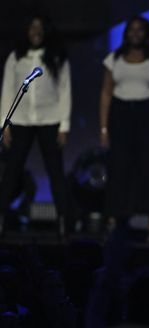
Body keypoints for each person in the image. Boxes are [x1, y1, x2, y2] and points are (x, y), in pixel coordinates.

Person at [98, 15, 149, 242]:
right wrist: (103, 128)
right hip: (120, 115)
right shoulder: (114, 58)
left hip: (148, 115)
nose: (135, 33)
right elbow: (105, 93)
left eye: (140, 30)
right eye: (131, 30)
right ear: (126, 33)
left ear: (147, 33)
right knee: (119, 167)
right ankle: (116, 221)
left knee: (148, 168)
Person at [0, 15, 71, 238]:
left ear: (46, 31)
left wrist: (64, 125)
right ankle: (1, 218)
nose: (36, 31)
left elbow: (64, 90)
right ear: (26, 31)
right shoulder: (16, 57)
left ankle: (63, 221)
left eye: (40, 27)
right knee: (11, 173)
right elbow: (8, 91)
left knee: (55, 172)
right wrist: (5, 125)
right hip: (20, 121)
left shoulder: (57, 57)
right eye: (32, 27)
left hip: (50, 121)